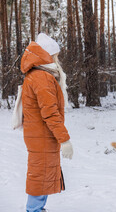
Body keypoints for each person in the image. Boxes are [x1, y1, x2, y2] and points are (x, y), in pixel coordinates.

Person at [19, 33, 73, 212]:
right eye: (55, 55)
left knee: (41, 173)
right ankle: (34, 209)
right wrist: (64, 140)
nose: (58, 59)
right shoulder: (42, 77)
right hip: (42, 134)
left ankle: (37, 208)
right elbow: (50, 113)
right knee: (40, 174)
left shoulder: (39, 74)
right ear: (47, 55)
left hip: (40, 134)